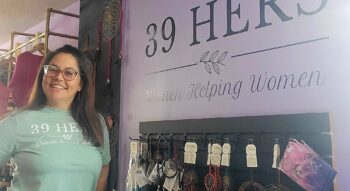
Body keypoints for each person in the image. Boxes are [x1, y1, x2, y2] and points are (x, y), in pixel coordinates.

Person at [0, 45, 111, 191]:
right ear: (43, 75)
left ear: (81, 84)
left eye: (69, 73)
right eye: (52, 69)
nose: (58, 77)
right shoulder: (17, 122)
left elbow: (103, 169)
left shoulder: (96, 122)